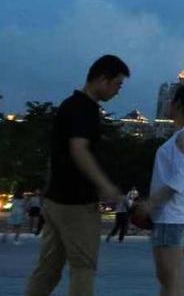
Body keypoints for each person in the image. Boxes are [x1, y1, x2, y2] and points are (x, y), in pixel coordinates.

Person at [25, 54, 129, 296]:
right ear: (102, 79)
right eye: (117, 84)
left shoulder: (69, 105)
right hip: (76, 203)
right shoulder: (86, 109)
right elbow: (79, 149)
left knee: (48, 269)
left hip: (55, 200)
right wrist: (105, 185)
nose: (117, 91)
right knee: (83, 267)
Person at [139, 84, 184, 296]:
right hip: (167, 214)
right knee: (168, 277)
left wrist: (151, 203)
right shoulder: (181, 136)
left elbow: (180, 178)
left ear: (178, 104)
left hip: (171, 214)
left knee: (170, 278)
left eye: (171, 99)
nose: (168, 104)